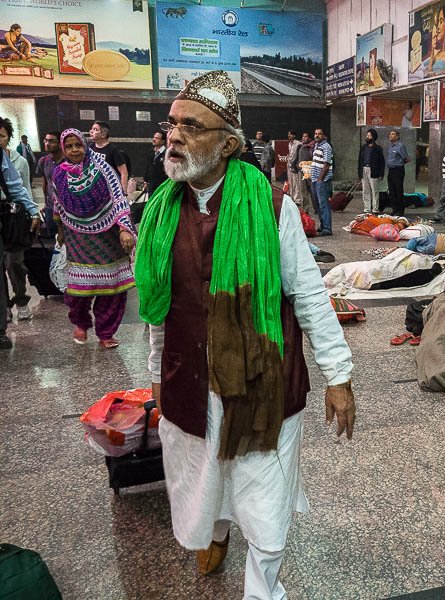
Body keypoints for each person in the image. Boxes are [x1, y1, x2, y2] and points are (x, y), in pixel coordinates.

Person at [135, 70, 355, 598]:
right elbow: (159, 309)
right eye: (172, 124)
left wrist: (339, 376)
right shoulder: (160, 212)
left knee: (264, 497)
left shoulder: (273, 207)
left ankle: (263, 587)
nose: (174, 137)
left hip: (263, 382)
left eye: (192, 126)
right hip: (190, 380)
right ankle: (215, 531)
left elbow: (308, 295)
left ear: (228, 144)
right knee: (201, 480)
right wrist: (156, 371)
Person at [52, 128, 136, 348]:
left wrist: (124, 228)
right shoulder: (59, 173)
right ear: (63, 149)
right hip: (77, 237)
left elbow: (118, 198)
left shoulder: (102, 168)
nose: (74, 150)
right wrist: (60, 229)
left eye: (78, 145)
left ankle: (106, 333)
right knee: (79, 288)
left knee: (112, 289)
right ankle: (80, 323)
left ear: (85, 145)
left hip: (107, 234)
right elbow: (57, 203)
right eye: (69, 146)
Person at [0, 118, 40, 349]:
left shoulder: (13, 159)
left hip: (6, 218)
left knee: (12, 263)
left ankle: (11, 312)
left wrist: (33, 211)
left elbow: (18, 186)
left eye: (2, 135)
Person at [36, 130, 64, 236]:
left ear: (60, 143)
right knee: (53, 236)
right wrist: (46, 203)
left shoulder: (69, 161)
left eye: (51, 141)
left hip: (67, 209)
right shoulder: (43, 161)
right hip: (50, 207)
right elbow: (45, 183)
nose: (47, 143)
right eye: (46, 140)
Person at [89, 121, 128, 192]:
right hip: (94, 188)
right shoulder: (90, 147)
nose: (91, 131)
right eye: (92, 129)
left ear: (103, 135)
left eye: (95, 129)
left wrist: (123, 191)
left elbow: (124, 173)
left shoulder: (113, 150)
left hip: (109, 189)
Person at [311, 127, 334, 235]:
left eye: (319, 134)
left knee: (324, 204)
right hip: (315, 179)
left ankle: (327, 228)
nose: (317, 135)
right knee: (318, 205)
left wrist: (320, 178)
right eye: (315, 133)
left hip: (322, 181)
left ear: (324, 136)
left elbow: (326, 164)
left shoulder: (326, 147)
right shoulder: (317, 146)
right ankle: (322, 225)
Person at [358, 128, 384, 214]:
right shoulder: (363, 147)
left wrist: (381, 174)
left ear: (373, 137)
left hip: (374, 171)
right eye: (367, 135)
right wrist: (359, 173)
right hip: (364, 169)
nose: (367, 137)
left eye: (369, 135)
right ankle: (367, 209)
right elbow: (359, 160)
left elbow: (382, 162)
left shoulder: (378, 148)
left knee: (374, 191)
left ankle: (375, 208)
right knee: (365, 191)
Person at [386, 130, 410, 217]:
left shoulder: (400, 146)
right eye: (390, 134)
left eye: (392, 134)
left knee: (398, 190)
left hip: (398, 170)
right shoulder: (390, 147)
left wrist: (399, 164)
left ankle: (400, 210)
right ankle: (394, 209)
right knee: (391, 191)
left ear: (397, 136)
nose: (390, 135)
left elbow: (407, 159)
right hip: (391, 170)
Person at [292, 131, 315, 214]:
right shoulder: (300, 147)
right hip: (301, 171)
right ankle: (305, 209)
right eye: (303, 136)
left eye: (305, 136)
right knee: (303, 191)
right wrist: (295, 166)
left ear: (309, 138)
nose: (303, 138)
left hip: (311, 171)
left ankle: (316, 207)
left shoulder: (313, 147)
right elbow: (296, 158)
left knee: (313, 191)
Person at [427, 4, 445, 76]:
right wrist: (432, 49)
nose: (438, 27)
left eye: (441, 22)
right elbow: (429, 71)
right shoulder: (436, 55)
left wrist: (436, 75)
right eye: (437, 23)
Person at [144, 130, 168, 198]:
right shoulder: (151, 152)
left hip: (163, 185)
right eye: (154, 137)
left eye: (157, 138)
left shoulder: (167, 153)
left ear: (163, 141)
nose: (154, 139)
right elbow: (148, 167)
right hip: (151, 185)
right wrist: (145, 181)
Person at [286, 130, 303, 209]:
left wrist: (295, 164)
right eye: (288, 134)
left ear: (294, 135)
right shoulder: (289, 144)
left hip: (295, 165)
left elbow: (297, 156)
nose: (289, 136)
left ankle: (297, 200)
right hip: (289, 164)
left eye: (290, 134)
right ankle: (292, 197)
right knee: (291, 182)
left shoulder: (298, 144)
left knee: (296, 182)